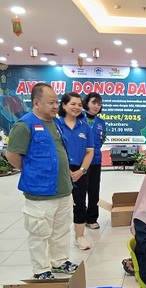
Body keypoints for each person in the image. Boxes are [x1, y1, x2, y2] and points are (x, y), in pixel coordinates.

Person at [6, 83, 78, 280]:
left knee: (61, 229)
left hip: (63, 189)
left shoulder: (54, 123)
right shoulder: (25, 124)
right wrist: (31, 171)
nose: (56, 106)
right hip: (40, 192)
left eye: (56, 102)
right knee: (39, 233)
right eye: (51, 102)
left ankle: (60, 262)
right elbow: (12, 154)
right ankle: (40, 270)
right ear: (36, 103)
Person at [56, 92, 94, 250]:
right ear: (64, 105)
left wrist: (82, 170)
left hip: (80, 170)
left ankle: (80, 237)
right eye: (73, 104)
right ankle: (58, 239)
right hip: (59, 171)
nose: (77, 107)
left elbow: (89, 151)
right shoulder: (55, 125)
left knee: (80, 204)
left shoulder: (85, 127)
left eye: (79, 104)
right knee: (59, 206)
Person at [82, 93, 106, 229]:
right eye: (94, 103)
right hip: (80, 161)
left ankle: (91, 219)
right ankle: (80, 217)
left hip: (96, 160)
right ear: (87, 103)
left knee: (94, 190)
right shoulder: (78, 119)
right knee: (80, 191)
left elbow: (101, 141)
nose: (96, 106)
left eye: (99, 103)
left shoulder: (101, 123)